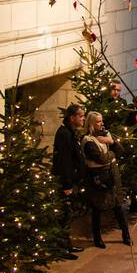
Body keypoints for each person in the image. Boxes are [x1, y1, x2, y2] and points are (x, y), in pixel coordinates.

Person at [82, 112, 133, 249]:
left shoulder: (106, 135)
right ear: (91, 123)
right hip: (99, 177)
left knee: (118, 206)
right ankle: (97, 238)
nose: (101, 123)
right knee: (98, 208)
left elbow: (120, 151)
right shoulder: (88, 140)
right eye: (98, 121)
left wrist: (111, 142)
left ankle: (126, 234)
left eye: (101, 121)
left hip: (112, 175)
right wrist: (112, 154)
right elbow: (101, 159)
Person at [51, 104, 87, 254]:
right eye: (80, 116)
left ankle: (66, 245)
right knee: (64, 214)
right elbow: (64, 161)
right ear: (72, 118)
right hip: (65, 181)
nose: (83, 118)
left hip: (71, 179)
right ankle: (62, 248)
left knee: (68, 214)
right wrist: (67, 185)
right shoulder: (64, 134)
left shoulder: (70, 132)